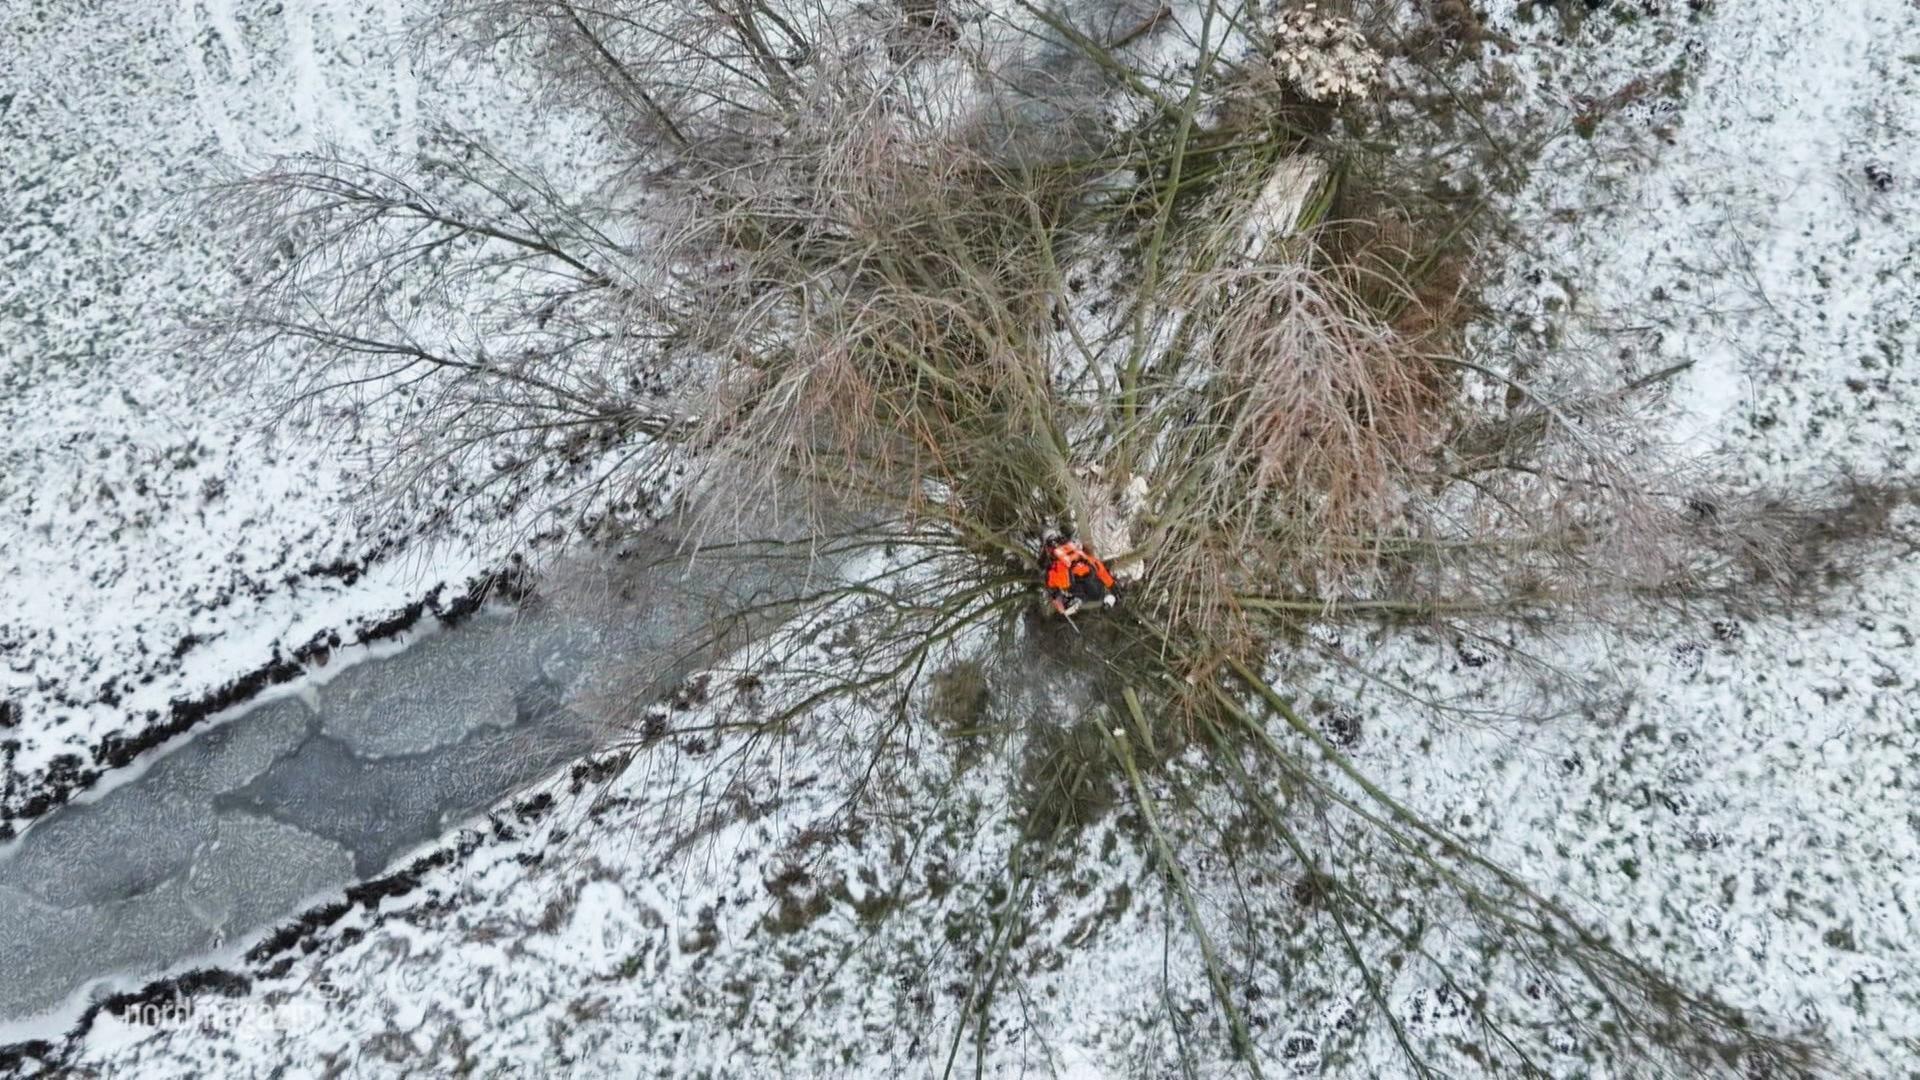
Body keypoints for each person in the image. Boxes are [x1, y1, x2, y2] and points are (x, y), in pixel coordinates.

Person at [1041, 533, 1116, 616]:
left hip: (1076, 585)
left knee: (1060, 586)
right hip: (1091, 580)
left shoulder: (1055, 564)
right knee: (1095, 592)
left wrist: (1060, 606)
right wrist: (1112, 585)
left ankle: (1070, 602)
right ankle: (1108, 598)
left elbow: (1053, 587)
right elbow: (1098, 567)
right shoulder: (1076, 551)